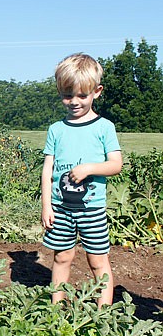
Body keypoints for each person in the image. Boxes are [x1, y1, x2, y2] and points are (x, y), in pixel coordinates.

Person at [41, 53, 122, 308]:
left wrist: (89, 169)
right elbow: (47, 170)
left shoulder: (104, 127)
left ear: (96, 92)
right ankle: (56, 308)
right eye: (67, 95)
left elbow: (116, 165)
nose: (74, 101)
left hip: (92, 209)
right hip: (61, 209)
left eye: (81, 95)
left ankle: (103, 313)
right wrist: (46, 206)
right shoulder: (56, 129)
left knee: (97, 261)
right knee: (62, 257)